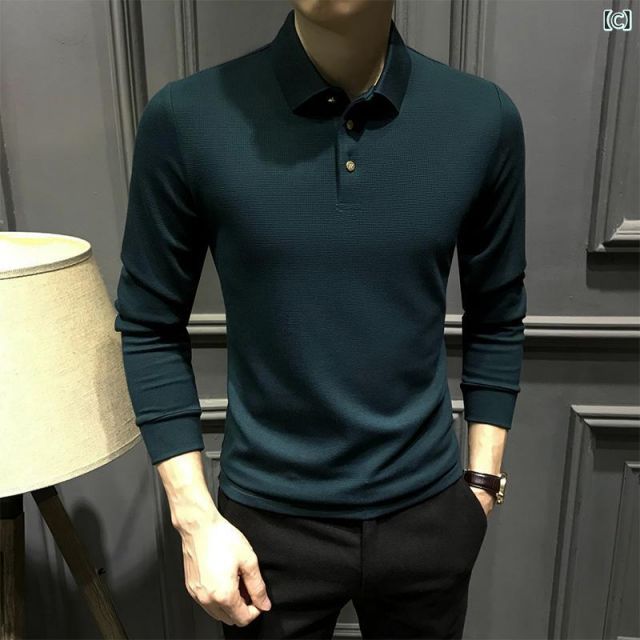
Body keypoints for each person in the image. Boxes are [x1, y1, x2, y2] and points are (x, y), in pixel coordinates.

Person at [114, 0, 527, 638]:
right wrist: (193, 517)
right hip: (265, 531)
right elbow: (148, 323)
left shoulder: (482, 117)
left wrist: (481, 485)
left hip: (429, 517)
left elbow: (496, 313)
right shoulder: (187, 118)